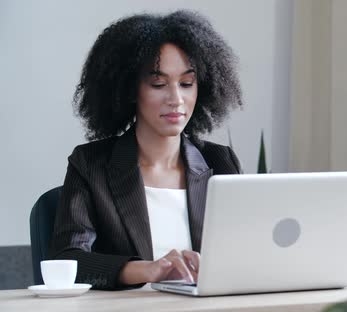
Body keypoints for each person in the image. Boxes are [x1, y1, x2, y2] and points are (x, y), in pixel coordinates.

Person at [48, 10, 243, 290]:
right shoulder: (91, 164)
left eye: (187, 83)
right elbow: (68, 259)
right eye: (158, 84)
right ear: (128, 89)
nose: (176, 99)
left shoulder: (221, 162)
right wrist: (147, 270)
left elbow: (244, 253)